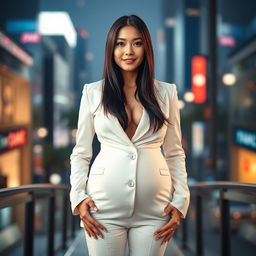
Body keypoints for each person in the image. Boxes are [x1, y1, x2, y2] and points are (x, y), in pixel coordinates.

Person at [69, 14, 190, 256]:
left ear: (146, 47)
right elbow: (81, 152)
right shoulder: (93, 92)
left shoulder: (166, 92)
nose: (128, 51)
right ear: (111, 48)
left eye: (137, 43)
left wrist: (181, 201)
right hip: (103, 206)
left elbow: (175, 152)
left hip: (156, 210)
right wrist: (78, 197)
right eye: (120, 43)